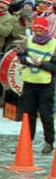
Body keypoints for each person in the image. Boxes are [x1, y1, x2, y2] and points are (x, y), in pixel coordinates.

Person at [16, 17, 56, 154]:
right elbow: (20, 56)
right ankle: (27, 141)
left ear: (46, 30)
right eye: (36, 29)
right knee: (28, 115)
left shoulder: (54, 45)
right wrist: (25, 58)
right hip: (29, 82)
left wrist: (41, 64)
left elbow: (55, 67)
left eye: (41, 30)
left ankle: (49, 142)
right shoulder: (28, 41)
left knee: (46, 115)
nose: (38, 32)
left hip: (45, 84)